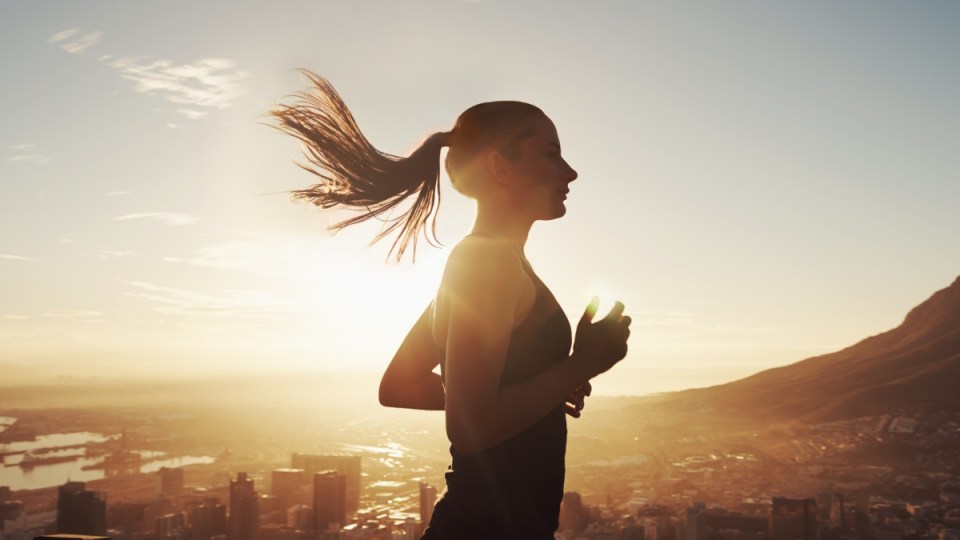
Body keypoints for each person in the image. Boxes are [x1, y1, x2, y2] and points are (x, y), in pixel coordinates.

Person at [271, 70, 632, 539]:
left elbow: (400, 385)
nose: (570, 171)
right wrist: (578, 366)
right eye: (552, 154)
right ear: (501, 167)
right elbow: (469, 425)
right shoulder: (488, 265)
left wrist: (539, 390)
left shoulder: (487, 261)